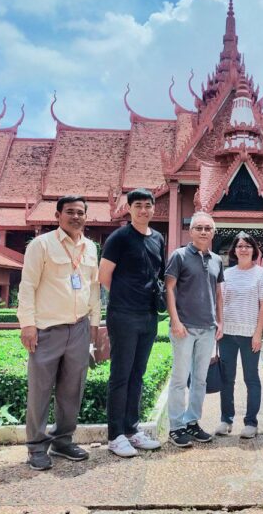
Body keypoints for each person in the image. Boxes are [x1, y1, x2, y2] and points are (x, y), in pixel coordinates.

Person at [17, 195, 100, 471]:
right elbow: (27, 286)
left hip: (78, 327)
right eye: (70, 212)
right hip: (47, 329)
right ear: (58, 215)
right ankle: (37, 447)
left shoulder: (90, 248)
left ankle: (63, 440)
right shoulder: (41, 245)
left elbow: (94, 288)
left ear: (86, 217)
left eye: (80, 213)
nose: (76, 217)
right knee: (40, 390)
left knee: (72, 388)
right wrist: (27, 324)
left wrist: (95, 324)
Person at [99, 188, 164, 457]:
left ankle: (132, 429)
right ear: (129, 209)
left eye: (148, 205)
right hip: (124, 315)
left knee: (137, 374)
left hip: (148, 315)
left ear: (153, 209)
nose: (144, 210)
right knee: (121, 375)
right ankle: (115, 435)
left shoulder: (158, 238)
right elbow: (104, 276)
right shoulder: (119, 238)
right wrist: (126, 298)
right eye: (138, 205)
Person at [165, 211, 224, 448]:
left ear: (213, 232)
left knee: (200, 380)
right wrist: (175, 321)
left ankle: (192, 421)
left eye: (207, 228)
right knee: (180, 378)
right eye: (198, 228)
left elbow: (218, 293)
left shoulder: (217, 260)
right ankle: (176, 426)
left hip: (208, 328)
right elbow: (169, 289)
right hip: (184, 327)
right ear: (191, 231)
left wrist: (220, 321)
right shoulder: (179, 256)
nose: (203, 232)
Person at [215, 232, 263, 439]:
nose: (243, 249)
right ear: (234, 251)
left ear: (254, 250)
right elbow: (220, 302)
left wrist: (258, 333)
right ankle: (226, 419)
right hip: (227, 333)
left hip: (249, 334)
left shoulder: (261, 273)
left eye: (247, 246)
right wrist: (219, 325)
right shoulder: (227, 274)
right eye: (239, 246)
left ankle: (251, 422)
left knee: (251, 378)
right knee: (227, 378)